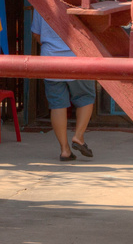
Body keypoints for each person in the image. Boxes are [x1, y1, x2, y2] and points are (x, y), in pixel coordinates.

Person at [34, 11, 94, 161]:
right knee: (86, 97)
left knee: (57, 105)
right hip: (77, 57)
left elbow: (37, 34)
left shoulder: (39, 1)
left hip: (50, 59)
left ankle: (65, 150)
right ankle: (78, 136)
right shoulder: (75, 0)